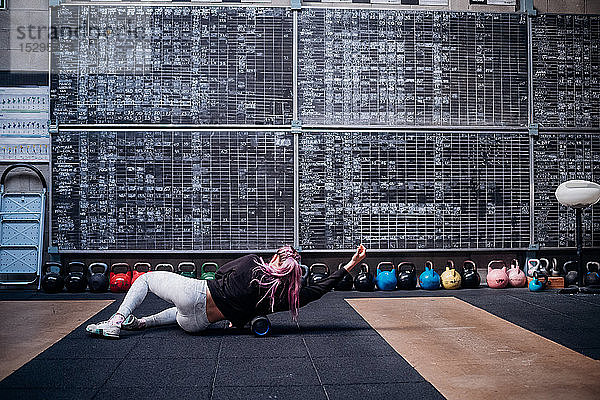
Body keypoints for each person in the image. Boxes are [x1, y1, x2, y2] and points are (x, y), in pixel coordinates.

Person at [86, 244, 367, 338]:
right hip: (197, 324)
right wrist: (350, 265)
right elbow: (318, 289)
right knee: (178, 313)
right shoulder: (281, 298)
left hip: (195, 294)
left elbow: (219, 275)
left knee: (146, 278)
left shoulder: (252, 263)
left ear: (276, 260)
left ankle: (116, 321)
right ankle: (143, 322)